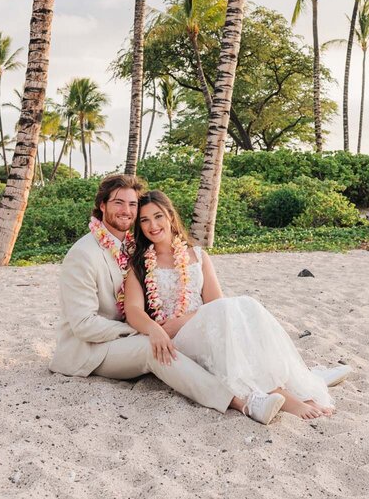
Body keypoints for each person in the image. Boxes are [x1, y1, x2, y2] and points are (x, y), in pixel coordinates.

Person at [49, 174, 284, 424]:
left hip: (127, 336)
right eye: (118, 203)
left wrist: (160, 326)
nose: (126, 211)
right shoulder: (83, 255)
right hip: (90, 350)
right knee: (153, 348)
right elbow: (83, 325)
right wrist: (147, 330)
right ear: (102, 206)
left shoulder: (131, 245)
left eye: (132, 204)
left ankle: (283, 382)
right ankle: (241, 402)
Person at [123, 190, 350, 421]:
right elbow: (133, 310)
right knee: (233, 315)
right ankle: (282, 395)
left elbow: (217, 304)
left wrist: (184, 320)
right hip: (176, 339)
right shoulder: (140, 265)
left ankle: (287, 389)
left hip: (202, 323)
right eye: (144, 220)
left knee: (245, 306)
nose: (153, 225)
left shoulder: (197, 255)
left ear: (170, 216)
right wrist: (156, 329)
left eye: (158, 216)